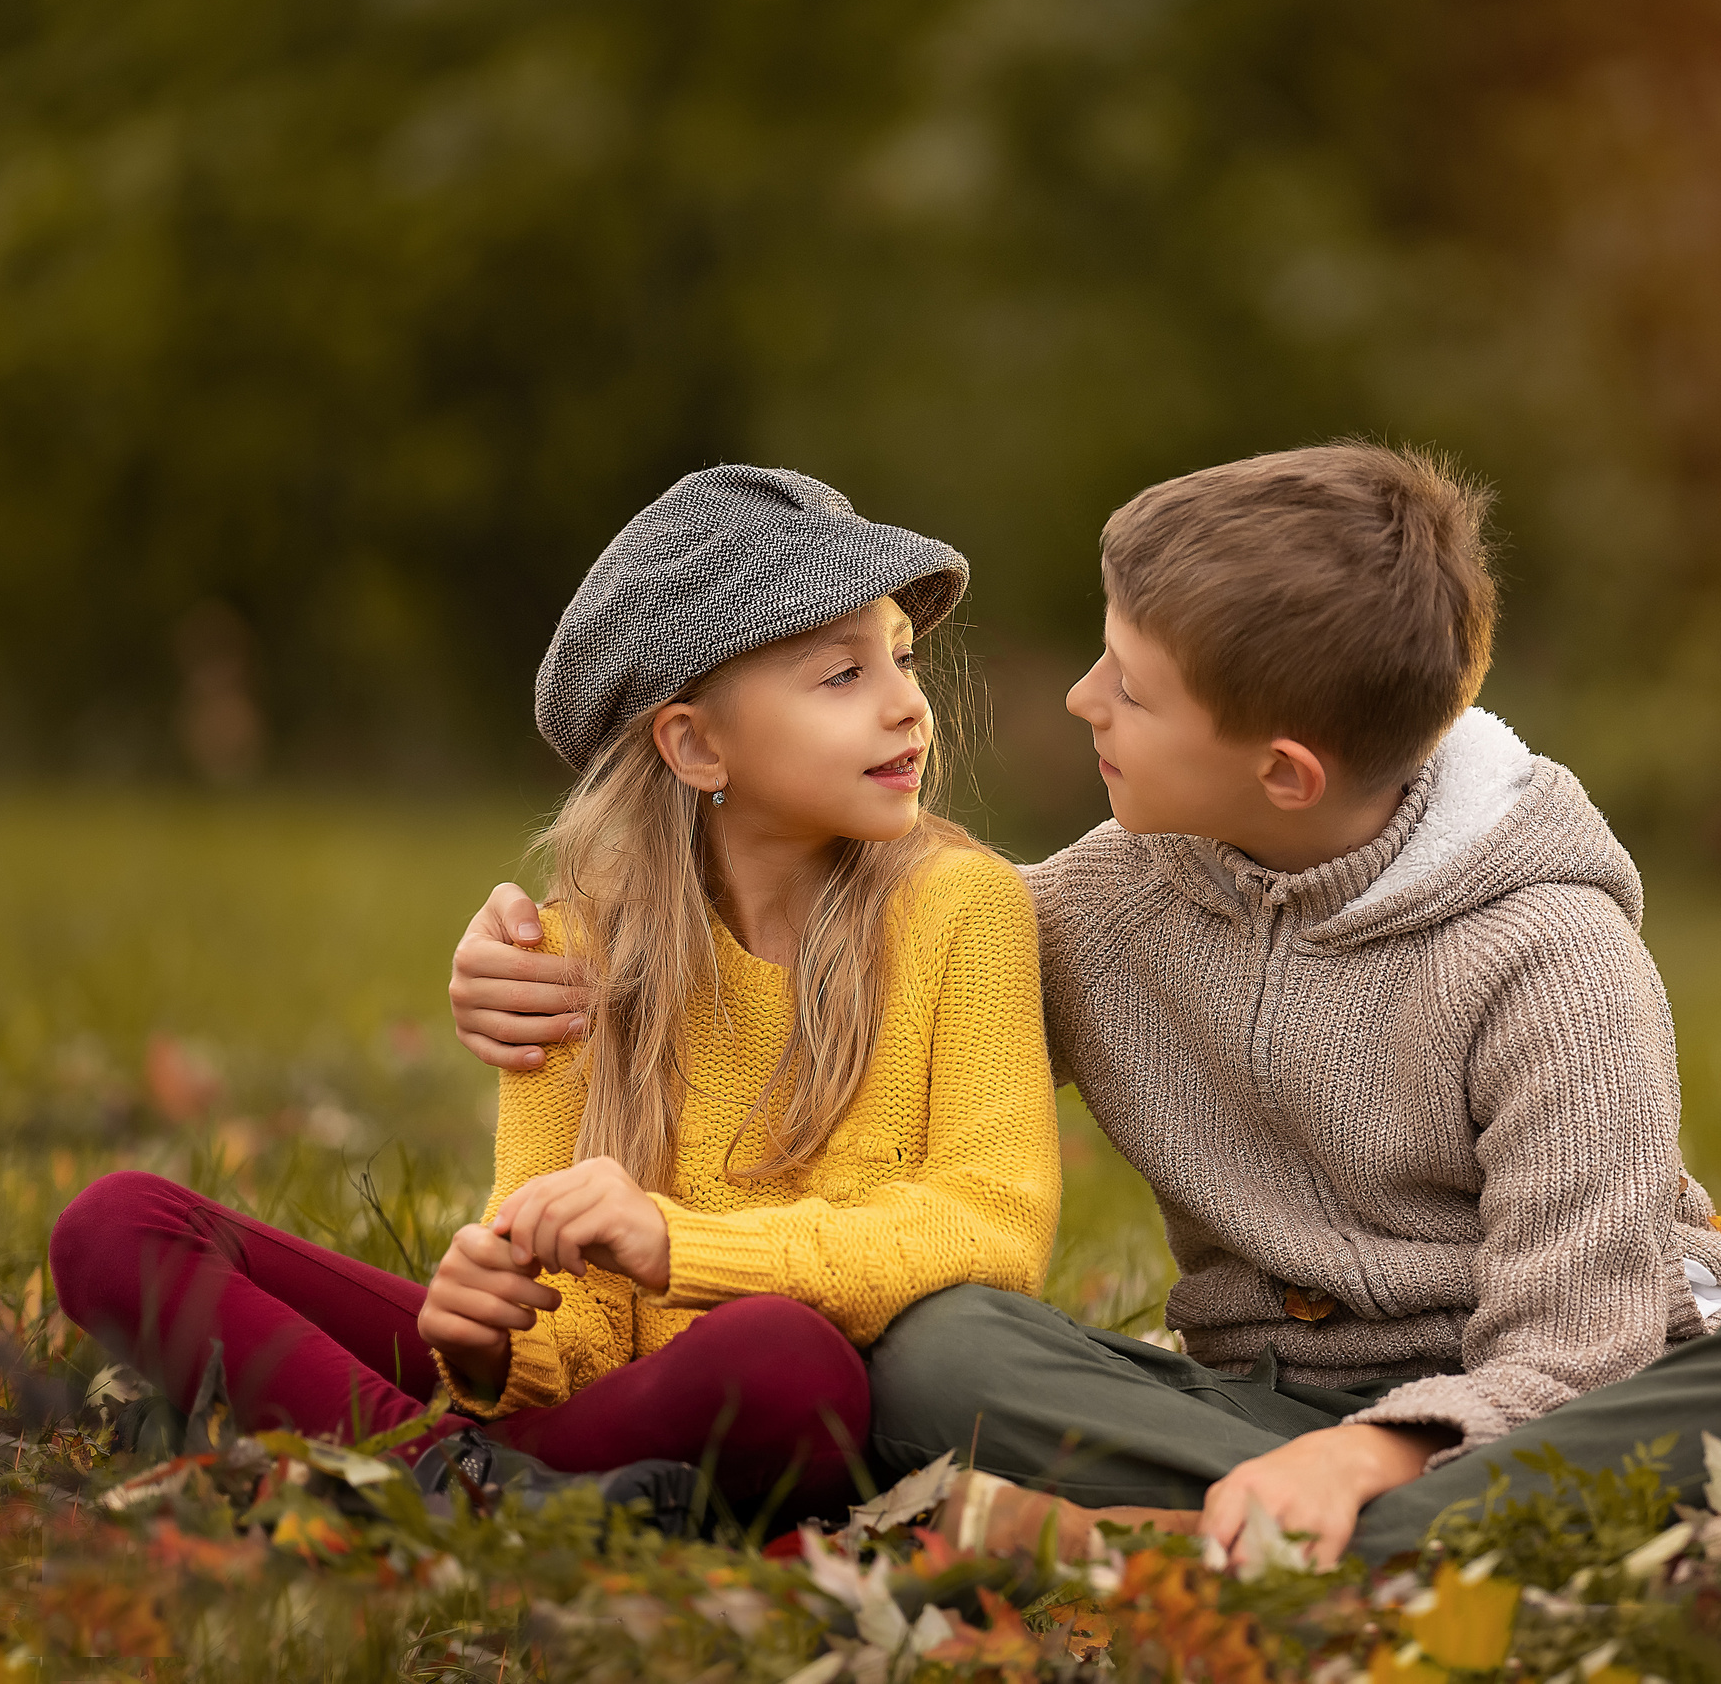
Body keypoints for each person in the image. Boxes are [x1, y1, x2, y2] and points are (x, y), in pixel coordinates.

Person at [449, 444, 1721, 1566]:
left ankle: (1371, 1539)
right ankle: (1384, 1536)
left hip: (1580, 1385)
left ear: (1281, 771)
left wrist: (1383, 1454)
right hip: (1254, 1415)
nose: (1077, 703)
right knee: (937, 1346)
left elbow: (1584, 1336)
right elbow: (861, 986)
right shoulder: (1110, 899)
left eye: (1129, 685)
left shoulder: (1553, 961)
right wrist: (578, 958)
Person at [55, 465, 1061, 1520]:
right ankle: (462, 1490)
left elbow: (990, 1226)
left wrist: (681, 1245)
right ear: (696, 743)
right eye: (841, 677)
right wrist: (484, 1337)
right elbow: (569, 1334)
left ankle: (414, 1475)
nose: (908, 704)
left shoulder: (962, 908)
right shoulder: (578, 958)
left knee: (786, 1360)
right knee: (114, 1222)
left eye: (902, 657)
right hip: (590, 1416)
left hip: (780, 1400)